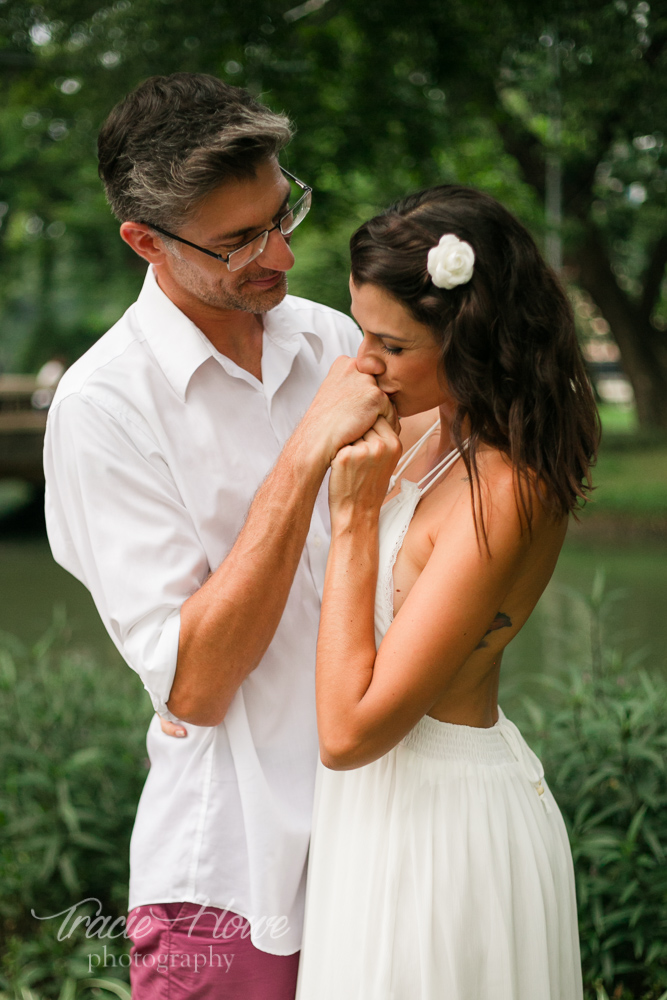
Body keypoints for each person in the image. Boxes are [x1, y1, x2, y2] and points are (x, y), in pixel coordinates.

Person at [43, 72, 396, 1000]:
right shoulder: (102, 410)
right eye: (240, 241)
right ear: (144, 241)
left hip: (392, 839)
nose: (280, 255)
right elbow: (193, 684)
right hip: (232, 874)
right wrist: (305, 456)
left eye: (285, 214)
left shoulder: (337, 342)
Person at [294, 186, 598, 999]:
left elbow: (350, 733)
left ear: (469, 340)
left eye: (389, 344)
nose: (362, 362)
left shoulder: (504, 488)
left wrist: (354, 519)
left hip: (444, 833)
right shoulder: (426, 431)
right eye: (360, 330)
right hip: (370, 822)